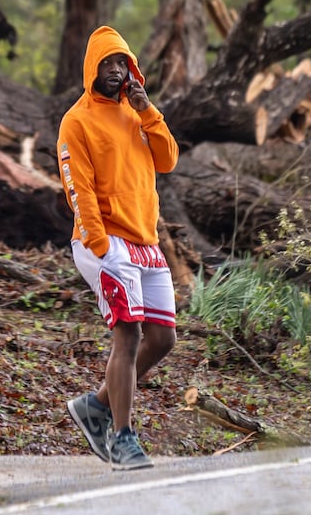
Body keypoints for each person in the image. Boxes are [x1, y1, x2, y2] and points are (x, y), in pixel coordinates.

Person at [58, 25, 179, 471]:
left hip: (144, 239)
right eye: (107, 64)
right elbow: (79, 188)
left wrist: (150, 113)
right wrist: (99, 242)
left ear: (131, 69)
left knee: (163, 338)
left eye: (121, 63)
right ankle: (123, 438)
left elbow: (167, 159)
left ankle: (95, 406)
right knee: (128, 333)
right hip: (104, 241)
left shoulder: (137, 112)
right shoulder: (78, 120)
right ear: (93, 69)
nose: (114, 71)